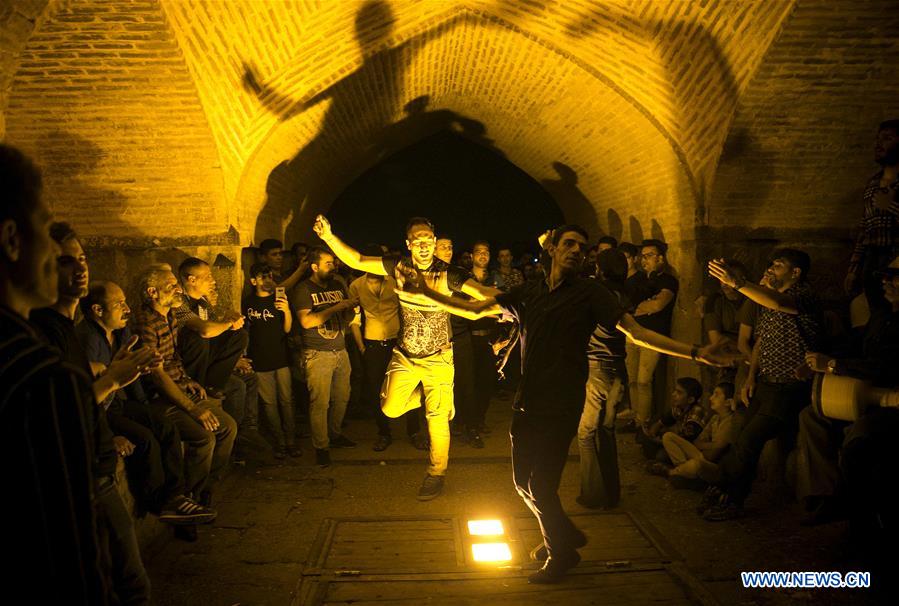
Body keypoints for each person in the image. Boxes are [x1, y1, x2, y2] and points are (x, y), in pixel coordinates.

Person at [402, 224, 733, 583]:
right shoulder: (529, 292)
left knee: (541, 485)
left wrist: (698, 353)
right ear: (552, 250)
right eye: (569, 243)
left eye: (582, 246)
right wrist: (425, 292)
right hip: (526, 400)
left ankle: (560, 553)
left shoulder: (592, 293)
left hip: (561, 403)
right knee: (521, 483)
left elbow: (637, 332)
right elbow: (475, 309)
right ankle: (560, 535)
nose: (577, 250)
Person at [313, 215, 500, 500]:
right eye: (418, 240)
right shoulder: (398, 265)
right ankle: (427, 396)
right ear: (408, 244)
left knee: (437, 419)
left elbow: (480, 291)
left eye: (428, 239)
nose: (424, 245)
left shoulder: (449, 274)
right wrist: (328, 236)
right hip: (406, 356)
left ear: (435, 243)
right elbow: (358, 260)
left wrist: (503, 299)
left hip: (439, 358)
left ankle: (436, 474)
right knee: (389, 408)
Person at [0, 144, 110, 604]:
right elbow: (65, 549)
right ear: (11, 239)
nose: (55, 250)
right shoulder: (40, 377)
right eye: (46, 229)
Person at [31, 222, 155, 604]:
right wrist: (113, 380)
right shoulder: (42, 330)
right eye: (66, 261)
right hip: (77, 478)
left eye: (82, 258)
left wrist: (111, 371)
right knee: (126, 585)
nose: (80, 268)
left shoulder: (69, 327)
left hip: (94, 467)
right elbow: (57, 411)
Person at [78, 280, 216, 525]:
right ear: (98, 310)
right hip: (103, 409)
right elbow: (87, 397)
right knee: (145, 440)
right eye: (120, 304)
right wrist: (109, 435)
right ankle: (158, 502)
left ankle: (177, 496)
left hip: (120, 403)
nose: (127, 310)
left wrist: (144, 405)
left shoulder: (121, 333)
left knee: (164, 425)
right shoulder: (88, 340)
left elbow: (134, 374)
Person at [704, 249, 824, 521]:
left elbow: (781, 304)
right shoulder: (766, 301)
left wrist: (741, 284)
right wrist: (750, 377)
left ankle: (729, 496)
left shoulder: (803, 295)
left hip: (789, 386)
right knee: (740, 436)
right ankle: (721, 488)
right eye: (770, 265)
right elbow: (760, 341)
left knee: (750, 439)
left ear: (796, 273)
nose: (771, 270)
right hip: (765, 383)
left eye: (778, 266)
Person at [796, 255, 899, 527]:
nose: (886, 283)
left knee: (859, 436)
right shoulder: (883, 315)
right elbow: (858, 346)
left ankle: (857, 512)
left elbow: (884, 368)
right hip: (862, 391)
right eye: (886, 278)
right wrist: (819, 360)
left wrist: (832, 365)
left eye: (894, 278)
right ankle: (824, 494)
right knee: (811, 417)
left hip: (890, 401)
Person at [131, 263, 238, 520]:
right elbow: (156, 374)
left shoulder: (169, 316)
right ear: (153, 293)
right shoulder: (145, 323)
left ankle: (201, 491)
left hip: (180, 386)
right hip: (160, 397)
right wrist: (193, 408)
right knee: (204, 437)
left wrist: (189, 380)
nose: (178, 289)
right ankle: (185, 500)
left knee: (228, 427)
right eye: (171, 286)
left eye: (177, 284)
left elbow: (173, 357)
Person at [176, 257, 267, 461]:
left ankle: (247, 430)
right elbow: (206, 331)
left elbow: (218, 330)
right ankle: (208, 389)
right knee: (236, 384)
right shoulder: (179, 302)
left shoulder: (202, 303)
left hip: (206, 361)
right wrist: (228, 324)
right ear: (191, 279)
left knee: (242, 345)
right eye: (207, 277)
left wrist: (233, 356)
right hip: (188, 365)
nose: (212, 281)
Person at [348, 247, 421, 452]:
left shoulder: (393, 281)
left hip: (397, 343)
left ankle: (414, 431)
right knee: (375, 390)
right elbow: (354, 319)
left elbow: (406, 309)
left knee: (408, 385)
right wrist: (362, 347)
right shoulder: (356, 286)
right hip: (372, 345)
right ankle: (384, 433)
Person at [293, 247, 359, 468]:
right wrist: (335, 307)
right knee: (319, 403)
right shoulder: (304, 289)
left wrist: (350, 309)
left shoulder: (337, 285)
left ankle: (335, 433)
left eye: (334, 263)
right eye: (329, 263)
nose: (334, 266)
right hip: (317, 353)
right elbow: (306, 322)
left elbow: (346, 317)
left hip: (340, 350)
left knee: (341, 397)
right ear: (314, 267)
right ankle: (321, 446)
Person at [577, 249, 629, 509]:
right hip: (619, 367)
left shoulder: (598, 292)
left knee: (586, 433)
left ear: (601, 268)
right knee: (607, 432)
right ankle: (612, 493)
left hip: (597, 367)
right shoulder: (624, 293)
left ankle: (593, 495)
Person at [243, 263, 299, 458]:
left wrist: (286, 311)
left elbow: (287, 329)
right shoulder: (248, 303)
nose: (268, 281)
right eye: (263, 277)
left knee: (286, 401)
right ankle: (280, 441)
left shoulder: (279, 300)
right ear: (253, 281)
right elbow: (246, 331)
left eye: (270, 277)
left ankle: (291, 440)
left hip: (281, 357)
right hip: (259, 359)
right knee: (269, 403)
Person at [845, 119, 899, 308]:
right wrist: (854, 269)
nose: (879, 144)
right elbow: (865, 229)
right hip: (872, 259)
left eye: (888, 138)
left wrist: (891, 206)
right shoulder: (873, 183)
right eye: (878, 139)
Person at [627, 239, 679, 429]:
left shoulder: (668, 280)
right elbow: (629, 305)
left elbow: (658, 305)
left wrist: (641, 306)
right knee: (632, 380)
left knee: (643, 381)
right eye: (643, 256)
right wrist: (641, 307)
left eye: (649, 256)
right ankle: (635, 416)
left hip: (652, 335)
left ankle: (643, 422)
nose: (644, 260)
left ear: (661, 258)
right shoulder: (640, 280)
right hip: (632, 333)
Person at [663, 382, 742, 488]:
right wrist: (711, 445)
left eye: (716, 395)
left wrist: (709, 446)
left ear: (728, 402)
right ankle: (684, 471)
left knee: (697, 464)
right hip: (702, 455)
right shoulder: (715, 418)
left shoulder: (730, 422)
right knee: (668, 437)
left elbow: (716, 451)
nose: (711, 398)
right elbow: (698, 441)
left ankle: (672, 472)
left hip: (713, 465)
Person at [640, 377, 706, 468]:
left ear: (690, 400)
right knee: (647, 434)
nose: (673, 394)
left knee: (661, 455)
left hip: (692, 448)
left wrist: (659, 440)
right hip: (675, 440)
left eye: (679, 393)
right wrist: (653, 431)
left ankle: (679, 468)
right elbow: (662, 421)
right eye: (675, 391)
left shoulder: (696, 412)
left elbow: (685, 440)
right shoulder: (679, 407)